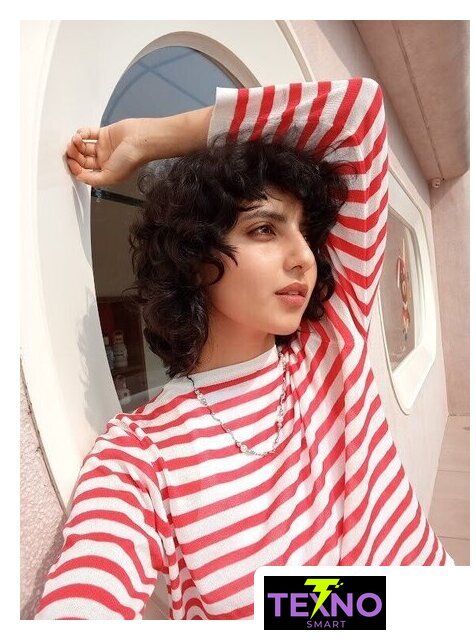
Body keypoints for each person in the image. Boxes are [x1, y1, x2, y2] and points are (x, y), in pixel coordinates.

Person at [34, 77, 454, 621]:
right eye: (264, 230)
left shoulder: (330, 344)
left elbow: (356, 114)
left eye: (304, 233)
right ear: (194, 257)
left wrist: (154, 137)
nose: (303, 256)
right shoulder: (143, 457)